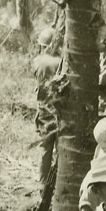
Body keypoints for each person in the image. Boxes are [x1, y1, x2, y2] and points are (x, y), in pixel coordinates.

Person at [33, 41, 65, 185]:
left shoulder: (38, 61)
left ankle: (42, 181)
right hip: (58, 109)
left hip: (44, 110)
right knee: (60, 149)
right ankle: (57, 181)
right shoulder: (60, 62)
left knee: (45, 150)